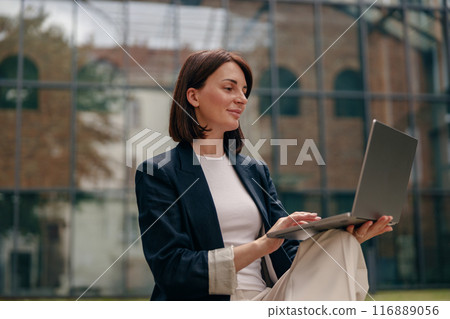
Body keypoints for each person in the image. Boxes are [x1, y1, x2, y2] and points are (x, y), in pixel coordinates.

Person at [135, 49, 393, 301]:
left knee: (341, 243)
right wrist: (262, 245)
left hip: (267, 298)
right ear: (193, 96)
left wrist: (346, 240)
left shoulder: (254, 171)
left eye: (244, 91)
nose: (242, 99)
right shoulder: (160, 173)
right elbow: (172, 270)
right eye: (229, 88)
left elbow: (288, 251)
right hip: (212, 302)